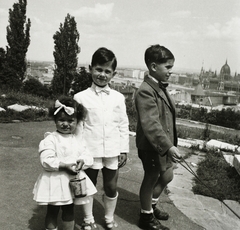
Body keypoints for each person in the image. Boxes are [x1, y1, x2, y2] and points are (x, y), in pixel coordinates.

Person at [74, 47, 129, 230]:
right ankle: (88, 218)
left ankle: (108, 217)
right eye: (98, 69)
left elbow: (123, 124)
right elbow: (79, 127)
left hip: (112, 150)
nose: (102, 75)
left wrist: (123, 149)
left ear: (113, 74)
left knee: (111, 186)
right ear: (90, 68)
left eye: (107, 71)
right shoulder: (80, 97)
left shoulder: (118, 97)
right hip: (90, 150)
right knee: (88, 185)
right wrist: (79, 152)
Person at [134, 44, 182, 230]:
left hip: (163, 145)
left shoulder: (159, 87)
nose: (171, 71)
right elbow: (151, 124)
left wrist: (169, 144)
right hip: (152, 146)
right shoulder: (146, 90)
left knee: (167, 175)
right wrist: (168, 146)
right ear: (153, 66)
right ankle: (146, 217)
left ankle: (151, 206)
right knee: (151, 178)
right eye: (167, 67)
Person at [33, 97, 97, 230]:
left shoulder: (78, 140)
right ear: (55, 121)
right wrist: (63, 165)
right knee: (52, 210)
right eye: (62, 120)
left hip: (73, 181)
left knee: (69, 210)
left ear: (77, 121)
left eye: (70, 121)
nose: (66, 124)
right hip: (55, 180)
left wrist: (82, 162)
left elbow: (87, 155)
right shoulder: (50, 139)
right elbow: (46, 159)